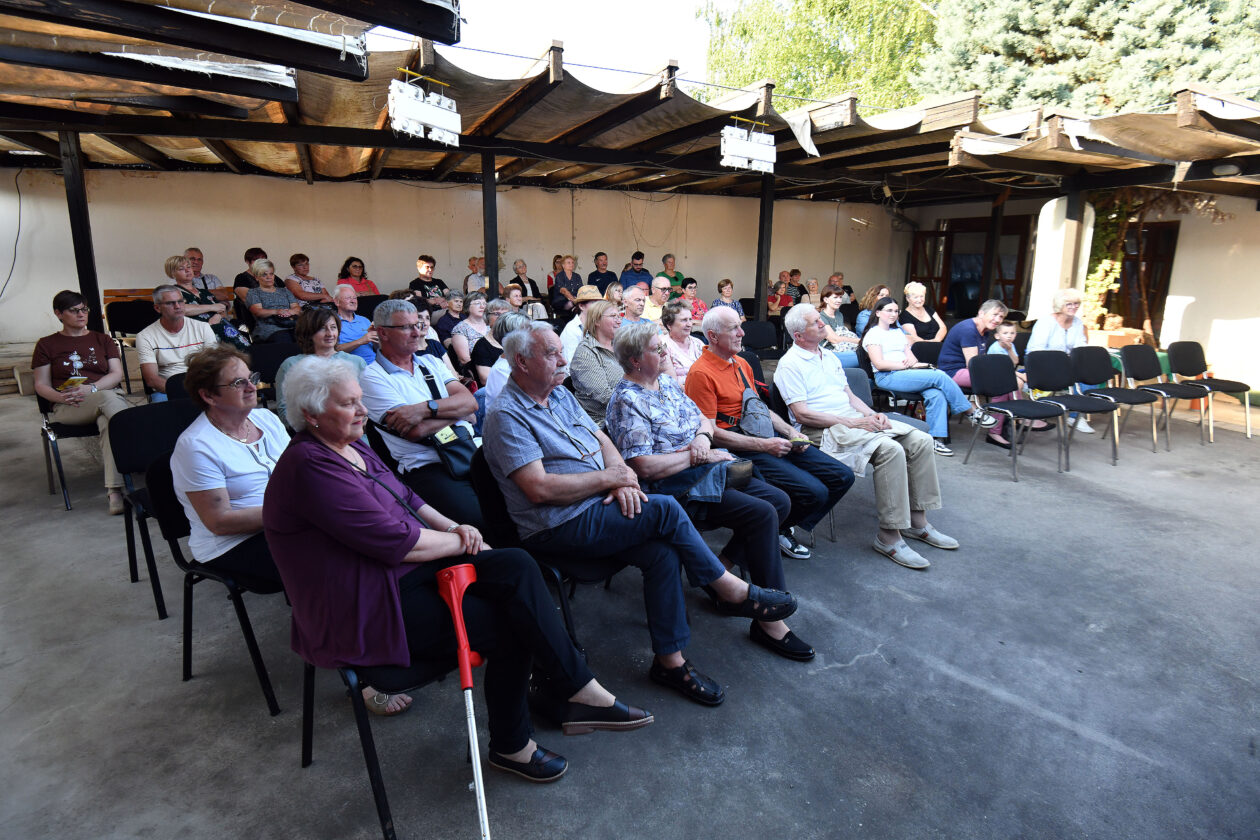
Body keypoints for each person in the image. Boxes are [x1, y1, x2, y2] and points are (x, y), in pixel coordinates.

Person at [266, 356, 652, 776]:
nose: (362, 411)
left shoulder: (349, 443)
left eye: (360, 401)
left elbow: (408, 499)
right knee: (510, 623)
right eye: (349, 404)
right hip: (366, 603)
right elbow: (395, 541)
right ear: (312, 415)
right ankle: (513, 743)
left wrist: (456, 526)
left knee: (516, 565)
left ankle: (577, 688)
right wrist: (458, 540)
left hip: (400, 575)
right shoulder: (309, 466)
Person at [484, 323, 799, 705]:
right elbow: (539, 489)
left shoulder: (558, 395)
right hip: (558, 524)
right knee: (665, 509)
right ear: (522, 362)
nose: (563, 358)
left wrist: (620, 479)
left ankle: (670, 663)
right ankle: (727, 588)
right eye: (552, 353)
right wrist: (611, 479)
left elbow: (602, 439)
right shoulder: (506, 414)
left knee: (662, 552)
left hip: (600, 504)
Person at [605, 322, 814, 659]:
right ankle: (768, 622)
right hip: (677, 487)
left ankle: (720, 566)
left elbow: (703, 419)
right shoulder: (626, 400)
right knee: (762, 512)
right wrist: (693, 456)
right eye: (656, 349)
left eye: (662, 347)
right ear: (633, 361)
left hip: (709, 468)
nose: (663, 352)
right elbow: (644, 467)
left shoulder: (666, 385)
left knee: (779, 501)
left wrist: (702, 440)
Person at [779, 304, 955, 570]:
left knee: (921, 440)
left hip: (851, 419)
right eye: (816, 323)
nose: (823, 324)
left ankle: (918, 523)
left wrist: (872, 415)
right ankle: (889, 536)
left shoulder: (829, 357)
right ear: (798, 335)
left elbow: (849, 396)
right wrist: (851, 421)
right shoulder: (789, 364)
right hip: (824, 430)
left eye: (820, 320)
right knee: (890, 450)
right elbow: (802, 415)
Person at [685, 307, 854, 559]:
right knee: (814, 492)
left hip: (764, 434)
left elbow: (757, 407)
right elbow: (711, 433)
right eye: (733, 329)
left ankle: (777, 528)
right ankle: (773, 531)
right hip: (737, 444)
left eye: (739, 326)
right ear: (712, 336)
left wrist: (789, 432)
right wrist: (765, 446)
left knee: (842, 476)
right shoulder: (700, 373)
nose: (742, 333)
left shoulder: (741, 362)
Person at [171, 345, 287, 592]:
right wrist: (294, 511)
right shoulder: (196, 447)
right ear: (209, 396)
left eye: (251, 378)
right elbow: (220, 522)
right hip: (233, 543)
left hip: (284, 523)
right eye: (238, 383)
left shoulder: (267, 419)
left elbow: (298, 473)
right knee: (322, 559)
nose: (252, 387)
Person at [359, 299, 483, 528]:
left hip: (464, 451)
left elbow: (470, 403)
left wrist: (423, 409)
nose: (418, 332)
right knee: (479, 519)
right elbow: (415, 431)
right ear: (382, 333)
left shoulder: (430, 362)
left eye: (418, 324)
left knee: (516, 503)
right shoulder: (372, 377)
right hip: (427, 466)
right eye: (407, 327)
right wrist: (456, 412)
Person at [32, 290, 130, 514]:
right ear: (58, 313)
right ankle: (137, 437)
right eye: (74, 310)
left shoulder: (102, 339)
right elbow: (41, 384)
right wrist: (63, 396)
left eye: (84, 309)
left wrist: (92, 389)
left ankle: (114, 492)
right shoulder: (47, 344)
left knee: (108, 423)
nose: (81, 314)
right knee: (110, 400)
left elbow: (116, 374)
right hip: (69, 406)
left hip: (103, 397)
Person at [862, 296, 995, 455]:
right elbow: (879, 364)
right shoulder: (873, 334)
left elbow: (911, 356)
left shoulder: (897, 332)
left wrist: (912, 364)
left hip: (906, 372)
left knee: (936, 393)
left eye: (896, 311)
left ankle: (934, 440)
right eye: (889, 310)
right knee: (938, 375)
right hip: (887, 376)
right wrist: (904, 365)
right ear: (877, 312)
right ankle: (971, 412)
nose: (893, 314)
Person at [938, 298, 1031, 448]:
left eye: (1000, 317)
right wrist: (1015, 375)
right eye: (994, 315)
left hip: (969, 372)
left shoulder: (985, 330)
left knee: (1006, 385)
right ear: (981, 313)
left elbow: (982, 363)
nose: (997, 320)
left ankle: (1002, 426)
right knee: (1003, 383)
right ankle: (999, 429)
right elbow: (973, 366)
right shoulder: (968, 329)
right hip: (952, 372)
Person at [274, 306, 367, 427]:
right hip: (314, 435)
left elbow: (369, 403)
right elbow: (285, 412)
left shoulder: (356, 362)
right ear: (308, 333)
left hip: (355, 431)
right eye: (322, 329)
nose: (330, 333)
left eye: (333, 328)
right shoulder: (291, 365)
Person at [1027, 287, 1097, 433]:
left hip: (1067, 364)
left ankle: (1075, 416)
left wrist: (1076, 358)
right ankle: (1069, 412)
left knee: (1088, 374)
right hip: (1043, 362)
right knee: (1077, 374)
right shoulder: (1046, 322)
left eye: (1076, 303)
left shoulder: (1077, 323)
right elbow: (1035, 350)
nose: (1074, 307)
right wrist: (1060, 360)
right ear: (1060, 305)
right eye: (1069, 304)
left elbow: (1080, 346)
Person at [136, 285, 218, 399]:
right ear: (157, 308)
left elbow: (215, 365)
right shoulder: (145, 336)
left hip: (202, 387)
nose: (178, 306)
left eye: (181, 301)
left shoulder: (203, 327)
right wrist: (181, 392)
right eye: (170, 303)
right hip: (167, 390)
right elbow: (151, 380)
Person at [167, 254, 248, 350]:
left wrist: (218, 316)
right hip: (198, 336)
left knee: (247, 350)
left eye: (189, 267)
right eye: (181, 269)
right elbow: (180, 309)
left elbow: (222, 310)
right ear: (172, 274)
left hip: (223, 330)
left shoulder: (204, 292)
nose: (187, 270)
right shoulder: (173, 292)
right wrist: (211, 309)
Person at [569, 300, 623, 426]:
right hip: (603, 422)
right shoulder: (586, 353)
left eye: (619, 316)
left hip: (629, 414)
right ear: (597, 321)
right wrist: (641, 399)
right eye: (613, 316)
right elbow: (605, 396)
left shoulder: (621, 346)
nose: (619, 320)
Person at [245, 259, 302, 343]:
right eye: (264, 275)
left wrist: (288, 312)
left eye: (271, 274)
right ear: (256, 277)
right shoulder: (253, 293)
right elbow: (258, 311)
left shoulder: (285, 291)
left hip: (291, 324)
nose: (269, 277)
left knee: (308, 336)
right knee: (284, 338)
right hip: (269, 328)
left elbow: (297, 308)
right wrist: (277, 311)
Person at [818, 282, 861, 368]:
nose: (839, 300)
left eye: (840, 297)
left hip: (842, 349)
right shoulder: (820, 317)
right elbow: (835, 339)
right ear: (826, 300)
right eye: (835, 297)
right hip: (829, 353)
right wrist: (860, 341)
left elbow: (841, 335)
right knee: (863, 358)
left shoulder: (839, 314)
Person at [660, 300, 703, 385]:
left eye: (690, 319)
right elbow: (670, 382)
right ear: (669, 325)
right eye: (684, 320)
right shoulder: (661, 345)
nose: (689, 324)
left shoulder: (698, 343)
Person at [333, 284, 378, 365]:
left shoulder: (364, 320)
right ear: (337, 302)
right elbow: (333, 350)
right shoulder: (332, 322)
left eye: (354, 298)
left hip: (374, 365)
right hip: (350, 369)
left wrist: (376, 339)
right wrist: (361, 341)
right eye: (348, 298)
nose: (353, 301)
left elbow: (378, 349)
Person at [470, 298, 511, 385]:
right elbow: (486, 379)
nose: (502, 318)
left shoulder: (516, 341)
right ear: (487, 317)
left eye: (506, 314)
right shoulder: (482, 346)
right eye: (497, 314)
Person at [560, 285, 604, 364]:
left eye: (599, 303)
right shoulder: (572, 329)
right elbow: (571, 364)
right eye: (594, 303)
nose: (598, 307)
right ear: (581, 306)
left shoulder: (598, 327)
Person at [451, 291, 491, 374]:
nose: (482, 306)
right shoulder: (461, 329)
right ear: (467, 307)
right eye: (477, 303)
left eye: (484, 303)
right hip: (474, 371)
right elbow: (465, 359)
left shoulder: (491, 325)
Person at [549, 255, 583, 319]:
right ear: (563, 265)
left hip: (575, 300)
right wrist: (573, 300)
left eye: (573, 262)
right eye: (569, 263)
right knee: (572, 305)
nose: (571, 264)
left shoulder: (577, 276)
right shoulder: (559, 276)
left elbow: (581, 290)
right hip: (561, 300)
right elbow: (564, 291)